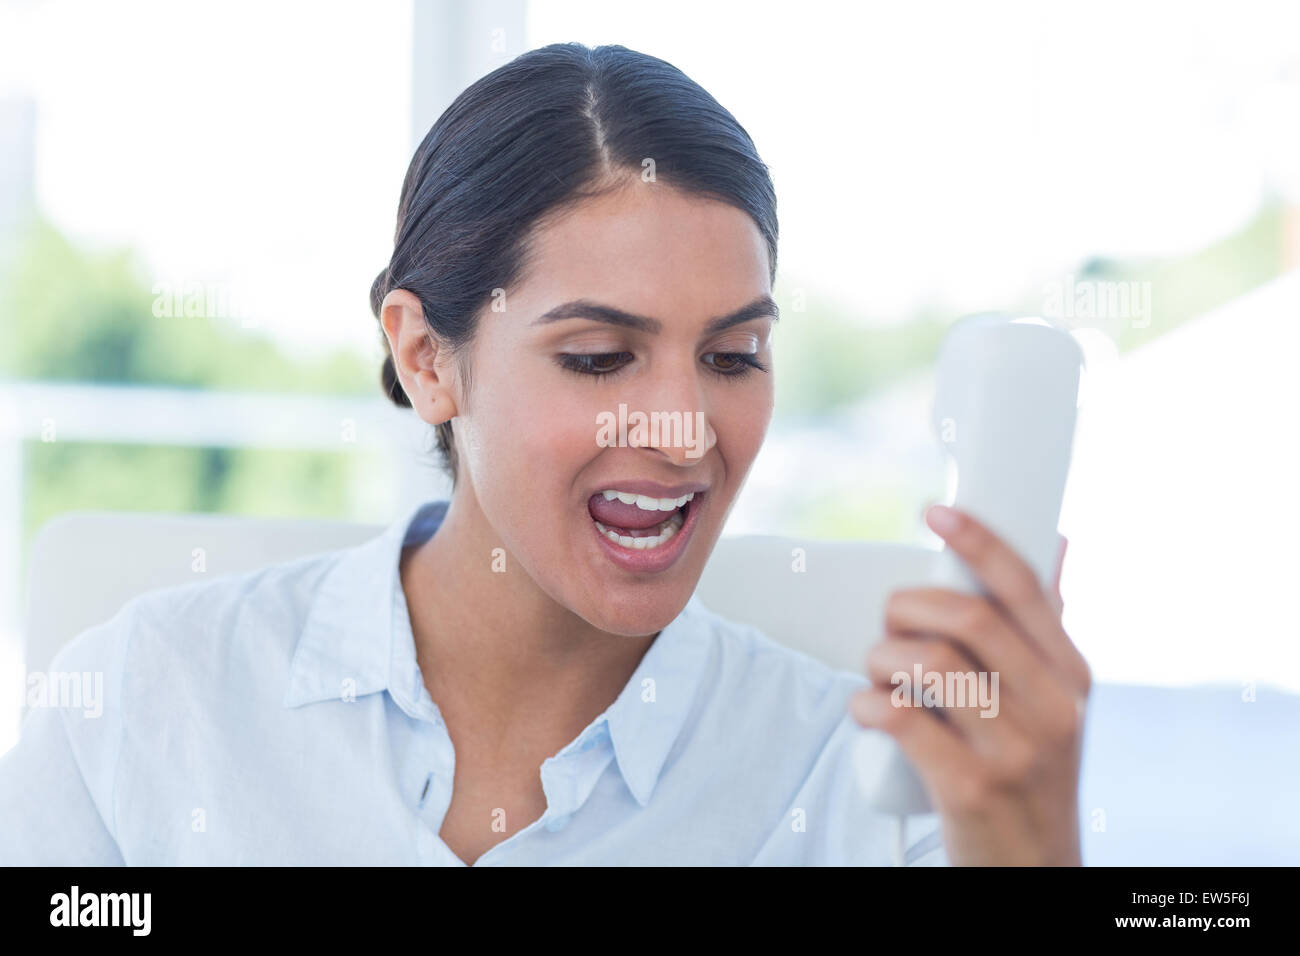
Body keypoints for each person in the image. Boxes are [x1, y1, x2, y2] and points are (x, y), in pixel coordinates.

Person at [0, 42, 1088, 866]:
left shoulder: (867, 796)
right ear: (428, 358)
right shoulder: (145, 705)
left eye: (732, 353)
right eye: (602, 356)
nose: (682, 429)